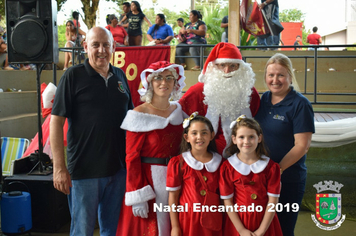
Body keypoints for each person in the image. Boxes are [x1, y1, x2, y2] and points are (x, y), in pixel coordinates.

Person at [50, 27, 133, 236]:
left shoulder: (120, 75)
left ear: (114, 47)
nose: (101, 50)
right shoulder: (72, 76)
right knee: (82, 231)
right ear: (86, 47)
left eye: (106, 45)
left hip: (118, 170)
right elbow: (55, 122)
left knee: (112, 230)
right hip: (84, 173)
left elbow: (132, 119)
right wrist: (59, 168)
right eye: (95, 45)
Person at [116, 61, 186, 236]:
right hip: (149, 181)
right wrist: (137, 194)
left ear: (175, 82)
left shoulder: (178, 111)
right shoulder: (138, 114)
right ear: (150, 83)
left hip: (177, 179)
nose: (164, 82)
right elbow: (131, 157)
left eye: (169, 78)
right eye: (158, 78)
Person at [254, 53, 315, 236]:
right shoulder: (263, 99)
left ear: (290, 76)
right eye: (271, 75)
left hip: (288, 179)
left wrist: (277, 170)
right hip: (262, 178)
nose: (275, 80)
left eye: (280, 75)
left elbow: (302, 146)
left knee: (283, 229)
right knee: (263, 228)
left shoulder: (300, 104)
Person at [179, 42, 260, 156]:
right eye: (222, 65)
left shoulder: (249, 92)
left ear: (240, 67)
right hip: (207, 153)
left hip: (241, 153)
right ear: (215, 66)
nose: (227, 71)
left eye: (232, 66)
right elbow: (181, 115)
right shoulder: (199, 90)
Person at [220, 115, 283, 236]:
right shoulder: (227, 167)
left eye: (251, 137)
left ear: (259, 138)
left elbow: (273, 201)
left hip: (265, 222)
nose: (246, 141)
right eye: (241, 137)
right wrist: (241, 230)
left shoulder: (271, 167)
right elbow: (227, 202)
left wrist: (261, 231)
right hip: (237, 224)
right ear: (234, 139)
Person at [167, 113, 223, 236]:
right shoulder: (178, 163)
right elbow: (173, 197)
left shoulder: (221, 163)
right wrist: (175, 227)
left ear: (212, 135)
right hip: (187, 221)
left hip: (214, 221)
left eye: (204, 133)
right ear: (186, 137)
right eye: (194, 133)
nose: (199, 137)